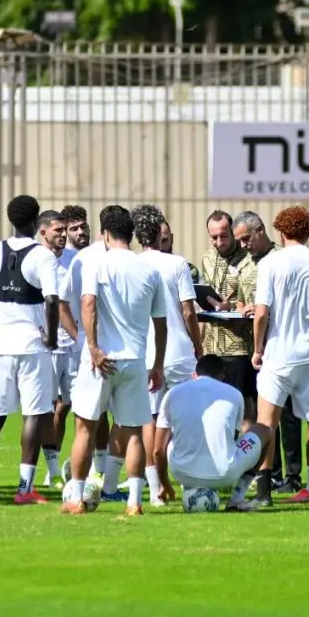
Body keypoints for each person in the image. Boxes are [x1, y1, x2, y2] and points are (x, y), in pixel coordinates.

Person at [63, 205, 167, 516]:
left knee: (84, 427)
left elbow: (88, 305)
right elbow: (160, 323)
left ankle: (76, 499)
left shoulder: (98, 263)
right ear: (131, 234)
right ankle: (134, 502)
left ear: (105, 234)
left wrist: (93, 348)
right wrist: (157, 363)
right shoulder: (149, 270)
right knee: (133, 430)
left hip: (102, 359)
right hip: (135, 359)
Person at [247, 206, 309, 509]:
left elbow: (261, 313)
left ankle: (263, 493)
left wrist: (258, 348)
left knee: (266, 423)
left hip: (278, 352)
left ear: (280, 231)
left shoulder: (271, 263)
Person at [0, 195, 60, 505]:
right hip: (31, 345)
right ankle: (24, 490)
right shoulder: (43, 256)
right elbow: (51, 300)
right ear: (37, 223)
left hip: (1, 346)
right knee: (33, 414)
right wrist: (50, 337)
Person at [132, 203, 202, 505]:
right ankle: (189, 484)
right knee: (187, 419)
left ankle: (157, 487)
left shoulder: (132, 264)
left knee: (149, 420)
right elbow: (188, 311)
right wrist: (199, 346)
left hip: (146, 354)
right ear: (161, 235)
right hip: (179, 352)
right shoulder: (177, 264)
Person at [232, 210, 303, 496]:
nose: (243, 245)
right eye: (239, 241)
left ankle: (294, 475)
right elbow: (238, 298)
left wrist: (261, 311)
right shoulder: (244, 264)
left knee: (289, 415)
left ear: (261, 230)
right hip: (250, 348)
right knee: (264, 415)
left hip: (280, 345)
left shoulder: (281, 259)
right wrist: (241, 308)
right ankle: (270, 475)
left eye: (246, 238)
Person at [153, 355, 271, 513]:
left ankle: (190, 484)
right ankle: (237, 497)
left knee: (171, 437)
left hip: (182, 472)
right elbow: (232, 438)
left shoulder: (173, 393)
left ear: (194, 375)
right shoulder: (234, 394)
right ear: (222, 376)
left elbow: (157, 451)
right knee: (265, 430)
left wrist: (165, 485)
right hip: (225, 474)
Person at [61, 213, 122, 498]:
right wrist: (83, 339)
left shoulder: (122, 259)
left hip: (114, 350)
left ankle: (99, 477)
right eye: (74, 227)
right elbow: (72, 304)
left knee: (110, 417)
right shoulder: (85, 259)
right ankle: (78, 484)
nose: (80, 231)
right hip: (90, 350)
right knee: (84, 415)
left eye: (83, 226)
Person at [198, 211, 257, 420]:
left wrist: (230, 306)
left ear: (232, 233)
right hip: (211, 347)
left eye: (224, 236)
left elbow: (256, 302)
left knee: (243, 408)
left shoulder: (248, 259)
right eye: (213, 237)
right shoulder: (206, 258)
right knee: (213, 411)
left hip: (240, 347)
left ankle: (249, 452)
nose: (219, 241)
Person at [38, 209, 76, 489]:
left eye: (65, 230)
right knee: (50, 409)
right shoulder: (35, 260)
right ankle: (52, 470)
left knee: (80, 406)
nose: (63, 235)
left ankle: (84, 467)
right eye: (58, 231)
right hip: (47, 347)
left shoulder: (75, 260)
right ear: (43, 232)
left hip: (74, 347)